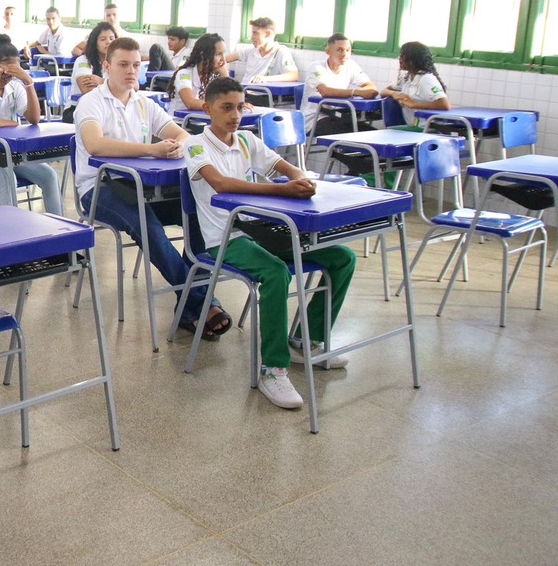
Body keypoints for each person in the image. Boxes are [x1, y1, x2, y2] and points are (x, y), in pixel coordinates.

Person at [185, 76, 356, 410]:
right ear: (207, 109)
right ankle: (272, 369)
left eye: (239, 107)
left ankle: (306, 342)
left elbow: (281, 164)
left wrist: (300, 178)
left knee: (342, 257)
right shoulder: (196, 145)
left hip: (260, 228)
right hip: (224, 238)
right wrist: (282, 190)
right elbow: (220, 184)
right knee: (276, 273)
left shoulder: (247, 139)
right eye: (226, 108)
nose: (234, 114)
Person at [74, 37, 230, 337]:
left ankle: (189, 308)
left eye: (135, 65)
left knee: (199, 211)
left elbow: (182, 135)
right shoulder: (91, 102)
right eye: (122, 64)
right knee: (150, 226)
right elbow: (94, 144)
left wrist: (173, 146)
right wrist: (151, 150)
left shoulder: (144, 102)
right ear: (107, 66)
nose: (130, 71)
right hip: (99, 189)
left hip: (141, 187)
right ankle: (202, 300)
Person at [0, 41, 62, 214]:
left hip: (10, 155)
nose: (8, 78)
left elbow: (34, 118)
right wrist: (14, 124)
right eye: (5, 72)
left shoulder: (15, 87)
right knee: (6, 177)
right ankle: (12, 233)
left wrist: (28, 82)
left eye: (13, 74)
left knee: (49, 175)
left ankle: (62, 232)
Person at [302, 33, 380, 137]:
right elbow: (325, 91)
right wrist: (356, 92)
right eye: (339, 50)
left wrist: (368, 92)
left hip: (339, 116)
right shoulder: (317, 67)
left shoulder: (350, 65)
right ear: (328, 51)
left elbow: (371, 87)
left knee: (374, 135)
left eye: (348, 50)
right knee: (355, 136)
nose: (344, 54)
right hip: (315, 119)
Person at [380, 41, 450, 128]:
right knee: (389, 101)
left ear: (413, 59)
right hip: (410, 125)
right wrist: (394, 94)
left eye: (403, 56)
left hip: (423, 128)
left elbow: (445, 104)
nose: (400, 59)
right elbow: (383, 92)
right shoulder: (407, 77)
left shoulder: (426, 79)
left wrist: (413, 104)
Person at [225, 18, 298, 97]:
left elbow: (294, 75)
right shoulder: (252, 50)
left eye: (255, 33)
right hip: (244, 92)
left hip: (262, 95)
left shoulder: (280, 51)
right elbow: (233, 56)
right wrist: (217, 62)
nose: (252, 37)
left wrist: (265, 79)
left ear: (267, 34)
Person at [168, 33, 230, 112]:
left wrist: (225, 76)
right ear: (203, 55)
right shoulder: (184, 74)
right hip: (180, 122)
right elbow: (190, 103)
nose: (223, 59)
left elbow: (230, 98)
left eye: (223, 53)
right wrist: (222, 106)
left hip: (201, 120)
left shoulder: (213, 75)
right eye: (218, 54)